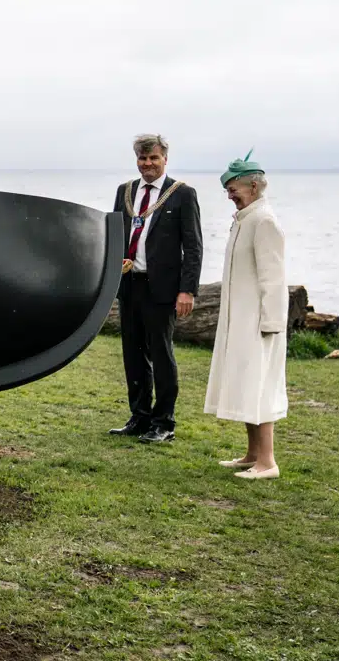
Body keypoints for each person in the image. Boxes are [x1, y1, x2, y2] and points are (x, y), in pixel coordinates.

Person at [108, 134, 203, 444]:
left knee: (161, 355)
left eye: (153, 158)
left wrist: (187, 290)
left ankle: (164, 421)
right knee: (132, 355)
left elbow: (193, 246)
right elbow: (114, 236)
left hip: (162, 288)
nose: (147, 164)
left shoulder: (182, 194)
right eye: (142, 158)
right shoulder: (125, 192)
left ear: (165, 159)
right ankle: (140, 416)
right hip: (130, 284)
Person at [205, 155, 288, 480]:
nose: (229, 194)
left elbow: (273, 278)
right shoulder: (244, 219)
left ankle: (267, 462)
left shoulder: (264, 221)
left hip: (259, 323)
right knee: (244, 383)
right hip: (240, 319)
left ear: (253, 185)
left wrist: (271, 322)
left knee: (259, 386)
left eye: (233, 188)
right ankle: (252, 454)